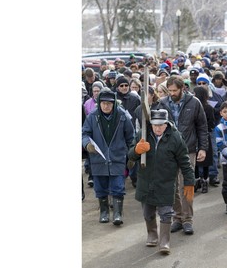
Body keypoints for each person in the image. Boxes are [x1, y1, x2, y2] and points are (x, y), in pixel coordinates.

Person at [128, 109, 195, 254]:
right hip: (146, 182)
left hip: (166, 182)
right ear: (151, 124)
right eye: (155, 125)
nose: (158, 128)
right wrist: (136, 150)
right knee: (147, 213)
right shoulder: (143, 135)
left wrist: (189, 182)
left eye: (161, 125)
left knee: (166, 213)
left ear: (166, 124)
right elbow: (130, 157)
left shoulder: (176, 138)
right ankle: (152, 235)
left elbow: (185, 161)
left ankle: (164, 241)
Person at [156, 75, 209, 235]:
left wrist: (203, 148)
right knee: (173, 187)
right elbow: (157, 127)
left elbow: (202, 126)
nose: (171, 93)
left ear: (182, 89)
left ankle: (187, 220)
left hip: (189, 149)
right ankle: (177, 218)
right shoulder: (162, 104)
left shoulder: (194, 103)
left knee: (186, 184)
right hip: (168, 151)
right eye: (169, 90)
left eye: (174, 90)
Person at [82, 88, 134, 225]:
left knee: (118, 186)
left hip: (117, 157)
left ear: (114, 104)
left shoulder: (122, 116)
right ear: (99, 103)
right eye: (104, 103)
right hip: (98, 158)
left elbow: (130, 137)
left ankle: (117, 213)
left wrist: (132, 156)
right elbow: (84, 134)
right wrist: (87, 144)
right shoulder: (92, 116)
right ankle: (104, 212)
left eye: (109, 103)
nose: (106, 106)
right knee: (100, 187)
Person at [193, 86, 215, 193]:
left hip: (199, 135)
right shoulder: (207, 108)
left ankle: (200, 180)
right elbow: (212, 124)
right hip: (202, 135)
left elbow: (211, 123)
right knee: (201, 160)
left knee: (200, 160)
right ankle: (202, 180)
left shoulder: (203, 108)